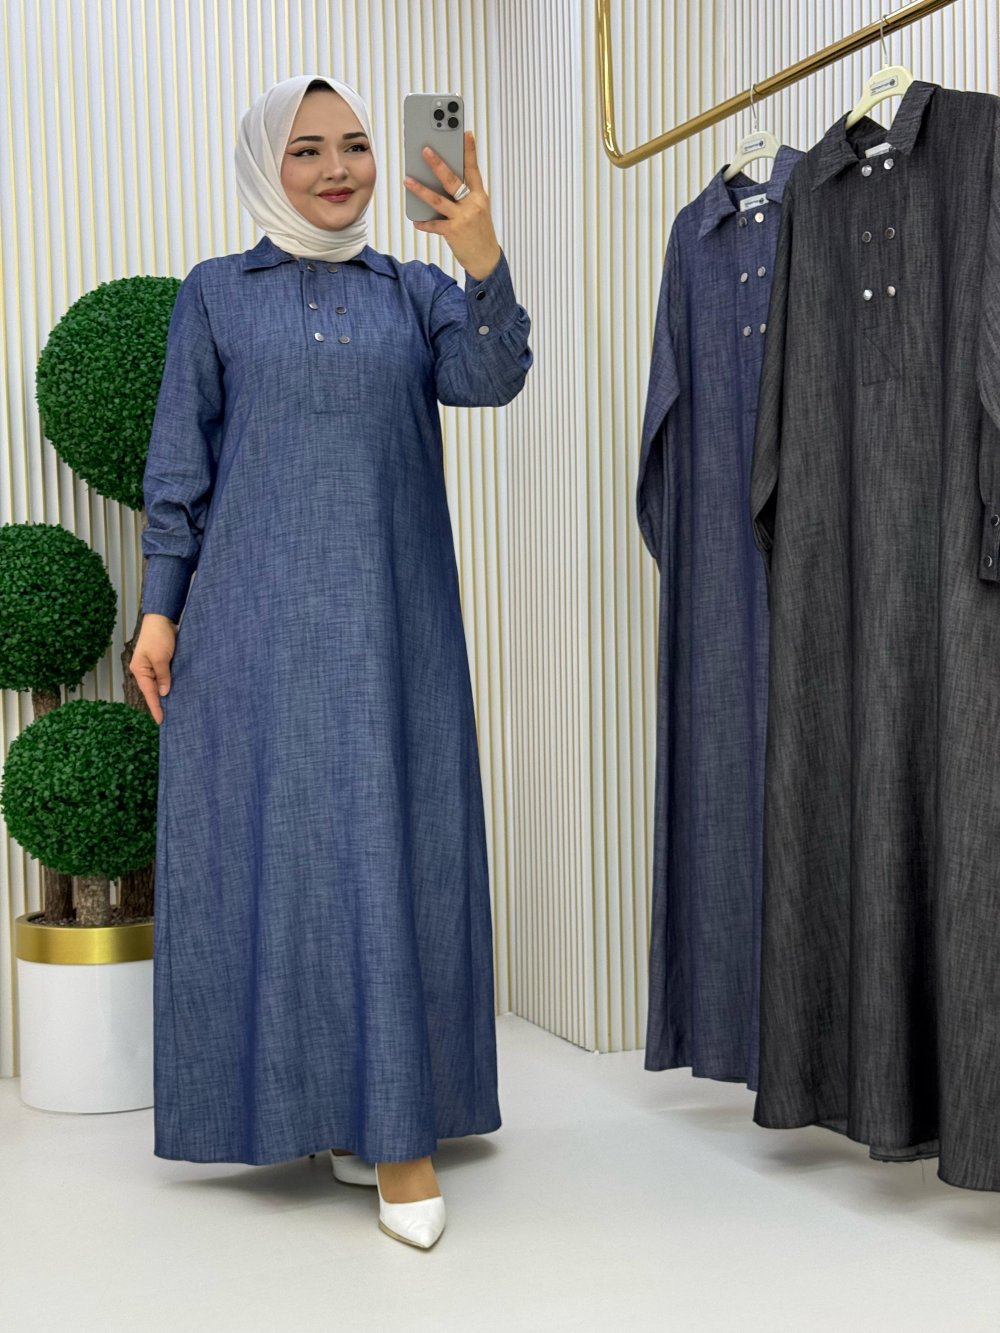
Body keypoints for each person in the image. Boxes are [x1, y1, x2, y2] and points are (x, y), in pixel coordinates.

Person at [130, 74, 531, 1250]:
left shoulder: (412, 291)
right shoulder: (216, 294)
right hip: (250, 628)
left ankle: (396, 1129)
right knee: (280, 859)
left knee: (386, 852)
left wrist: (477, 249)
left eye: (355, 145)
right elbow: (178, 469)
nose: (338, 168)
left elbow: (492, 376)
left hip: (391, 631)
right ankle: (315, 1105)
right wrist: (159, 613)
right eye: (307, 149)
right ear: (269, 164)